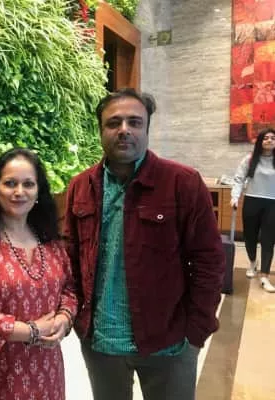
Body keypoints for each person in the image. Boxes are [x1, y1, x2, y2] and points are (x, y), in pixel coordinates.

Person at [63, 88, 226, 400]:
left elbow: (209, 261)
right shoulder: (81, 186)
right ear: (100, 130)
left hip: (168, 342)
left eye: (134, 122)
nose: (124, 130)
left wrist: (197, 331)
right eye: (114, 123)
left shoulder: (182, 183)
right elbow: (70, 257)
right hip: (100, 343)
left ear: (147, 129)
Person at [0, 148, 77, 400]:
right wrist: (30, 331)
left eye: (28, 184)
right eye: (10, 183)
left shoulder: (49, 240)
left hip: (45, 371)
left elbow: (70, 290)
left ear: (38, 191)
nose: (19, 192)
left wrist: (64, 319)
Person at [230, 128, 275, 292]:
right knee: (250, 236)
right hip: (252, 201)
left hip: (272, 203)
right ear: (260, 141)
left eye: (273, 138)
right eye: (266, 138)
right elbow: (238, 179)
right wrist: (235, 197)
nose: (269, 140)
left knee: (269, 240)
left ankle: (264, 276)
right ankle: (252, 263)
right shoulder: (250, 160)